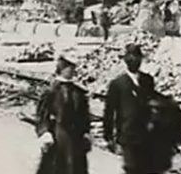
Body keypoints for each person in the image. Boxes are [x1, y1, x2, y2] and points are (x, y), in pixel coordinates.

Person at [103, 43, 156, 174]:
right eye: (130, 57)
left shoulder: (148, 81)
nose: (134, 60)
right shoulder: (117, 84)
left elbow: (153, 105)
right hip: (127, 136)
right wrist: (108, 137)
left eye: (137, 57)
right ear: (125, 60)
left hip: (146, 135)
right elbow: (109, 111)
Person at [35, 56, 92, 174]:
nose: (71, 71)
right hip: (57, 135)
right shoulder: (51, 91)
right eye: (68, 68)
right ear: (61, 69)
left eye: (73, 68)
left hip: (76, 138)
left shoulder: (78, 92)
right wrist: (45, 132)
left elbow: (84, 115)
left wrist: (86, 132)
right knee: (56, 167)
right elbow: (42, 115)